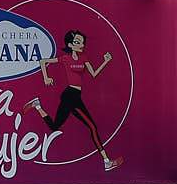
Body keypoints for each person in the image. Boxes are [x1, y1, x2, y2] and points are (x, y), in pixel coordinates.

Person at [24, 29, 121, 172]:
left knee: (55, 126)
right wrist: (46, 77)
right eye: (77, 42)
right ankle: (106, 161)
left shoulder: (84, 58)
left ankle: (37, 105)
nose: (81, 44)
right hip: (70, 96)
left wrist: (105, 61)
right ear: (70, 44)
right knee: (92, 127)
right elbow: (43, 61)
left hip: (75, 96)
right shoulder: (65, 58)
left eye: (82, 42)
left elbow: (94, 74)